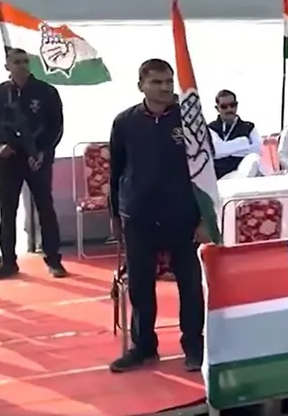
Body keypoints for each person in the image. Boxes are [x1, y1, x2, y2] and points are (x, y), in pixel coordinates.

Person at [107, 58, 205, 373]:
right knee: (139, 285)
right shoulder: (124, 122)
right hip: (138, 215)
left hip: (182, 215)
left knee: (189, 285)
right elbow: (116, 170)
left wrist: (206, 219)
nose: (165, 88)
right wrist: (115, 215)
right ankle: (144, 347)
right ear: (141, 86)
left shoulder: (190, 120)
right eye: (157, 82)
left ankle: (193, 345)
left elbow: (205, 173)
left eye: (168, 82)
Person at [0, 47, 67, 280]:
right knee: (7, 211)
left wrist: (42, 151)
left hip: (37, 158)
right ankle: (8, 261)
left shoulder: (46, 92)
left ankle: (54, 260)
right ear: (7, 66)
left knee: (45, 208)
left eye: (24, 61)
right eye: (16, 62)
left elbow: (56, 126)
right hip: (8, 160)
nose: (21, 65)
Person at [209, 89, 266, 178]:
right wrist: (244, 142)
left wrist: (227, 148)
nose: (229, 109)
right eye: (224, 106)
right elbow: (217, 150)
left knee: (254, 158)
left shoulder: (248, 127)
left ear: (237, 105)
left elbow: (259, 150)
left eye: (232, 105)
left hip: (244, 171)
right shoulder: (211, 128)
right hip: (220, 176)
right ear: (217, 108)